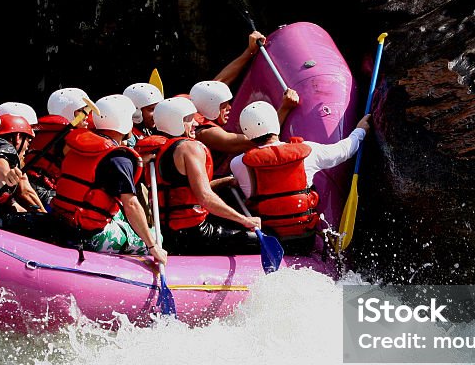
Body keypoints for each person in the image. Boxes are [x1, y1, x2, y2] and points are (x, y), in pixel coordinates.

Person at [230, 101, 372, 254]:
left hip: (269, 237)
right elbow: (345, 150)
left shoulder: (238, 164)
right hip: (304, 237)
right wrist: (360, 130)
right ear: (275, 124)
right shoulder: (309, 151)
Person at [51, 95, 168, 265]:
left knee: (119, 215)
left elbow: (99, 172)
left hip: (62, 222)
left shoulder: (74, 144)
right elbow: (131, 204)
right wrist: (152, 246)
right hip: (90, 236)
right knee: (158, 237)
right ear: (122, 120)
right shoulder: (119, 158)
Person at [136, 97, 261, 255]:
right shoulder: (188, 148)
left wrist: (225, 182)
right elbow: (204, 197)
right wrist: (245, 220)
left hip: (167, 235)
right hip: (195, 234)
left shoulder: (155, 151)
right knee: (260, 239)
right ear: (175, 121)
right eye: (189, 119)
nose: (195, 123)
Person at [24, 88, 97, 206]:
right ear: (67, 112)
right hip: (42, 190)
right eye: (81, 110)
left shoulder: (47, 131)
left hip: (38, 185)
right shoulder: (67, 137)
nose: (87, 114)